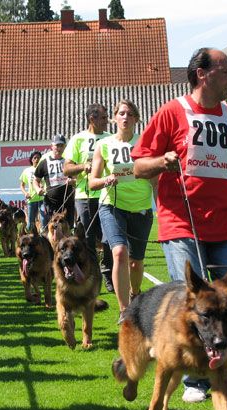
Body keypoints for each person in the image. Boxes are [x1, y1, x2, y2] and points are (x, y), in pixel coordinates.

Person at [132, 48, 227, 403]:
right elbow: (138, 166)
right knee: (191, 302)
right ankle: (194, 380)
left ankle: (215, 359)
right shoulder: (171, 112)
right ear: (202, 74)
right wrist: (162, 161)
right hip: (182, 222)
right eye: (226, 71)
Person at [88, 100, 154, 320]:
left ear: (136, 119)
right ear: (114, 118)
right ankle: (124, 310)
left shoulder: (146, 143)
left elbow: (155, 180)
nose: (125, 117)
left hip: (141, 207)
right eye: (122, 113)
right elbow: (92, 182)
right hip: (112, 205)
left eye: (130, 114)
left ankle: (135, 294)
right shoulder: (104, 145)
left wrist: (161, 209)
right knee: (119, 253)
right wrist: (106, 180)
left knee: (136, 262)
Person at [63, 104, 115, 292]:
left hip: (107, 195)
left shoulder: (111, 138)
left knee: (109, 238)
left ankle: (107, 270)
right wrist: (82, 166)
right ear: (92, 119)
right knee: (87, 239)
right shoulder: (77, 139)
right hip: (84, 196)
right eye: (103, 118)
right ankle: (94, 276)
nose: (107, 121)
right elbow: (67, 169)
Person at [33, 135, 76, 229]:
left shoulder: (70, 162)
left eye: (62, 145)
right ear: (52, 146)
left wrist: (73, 181)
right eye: (57, 145)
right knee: (52, 229)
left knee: (68, 229)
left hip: (67, 202)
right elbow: (36, 180)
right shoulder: (44, 162)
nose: (59, 148)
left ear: (65, 147)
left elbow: (77, 180)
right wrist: (37, 189)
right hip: (51, 203)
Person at [19, 151, 45, 232]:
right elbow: (22, 185)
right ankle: (26, 235)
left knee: (44, 220)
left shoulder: (44, 169)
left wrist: (43, 187)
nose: (37, 159)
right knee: (30, 223)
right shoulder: (27, 171)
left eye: (38, 158)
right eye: (35, 158)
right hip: (32, 199)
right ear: (31, 159)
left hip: (43, 199)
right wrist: (25, 193)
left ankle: (43, 236)